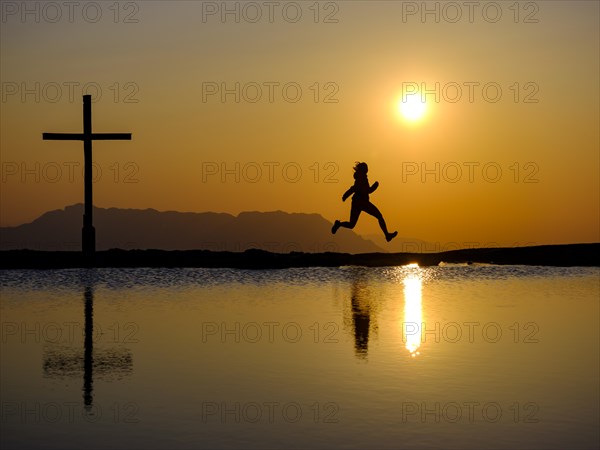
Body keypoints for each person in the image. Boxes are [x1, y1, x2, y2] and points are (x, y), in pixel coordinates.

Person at [332, 162, 398, 242]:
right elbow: (366, 190)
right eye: (366, 168)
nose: (367, 170)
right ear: (363, 170)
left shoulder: (360, 178)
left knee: (352, 224)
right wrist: (375, 186)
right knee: (379, 216)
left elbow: (355, 188)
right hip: (362, 203)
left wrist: (345, 195)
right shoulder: (362, 178)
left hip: (357, 202)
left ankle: (339, 224)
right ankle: (387, 235)